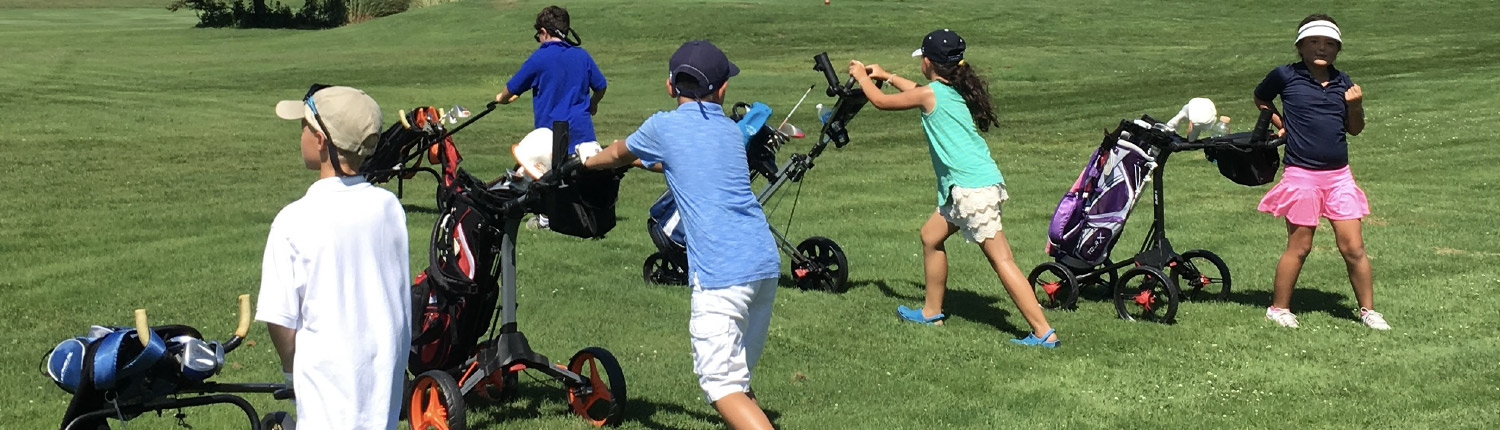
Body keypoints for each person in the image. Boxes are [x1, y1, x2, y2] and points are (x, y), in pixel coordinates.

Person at [581, 40, 779, 430]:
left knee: (721, 384)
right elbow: (685, 162)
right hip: (763, 262)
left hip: (722, 273)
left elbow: (617, 152)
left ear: (670, 86)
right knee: (736, 375)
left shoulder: (663, 125)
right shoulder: (728, 130)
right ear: (722, 90)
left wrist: (589, 161)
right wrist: (644, 161)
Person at [848, 29, 1058, 347]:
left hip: (972, 190)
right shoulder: (947, 90)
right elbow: (919, 91)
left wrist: (861, 76)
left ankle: (1044, 331)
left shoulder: (933, 93)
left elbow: (879, 102)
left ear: (928, 62)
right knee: (931, 237)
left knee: (1002, 260)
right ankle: (932, 311)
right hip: (964, 187)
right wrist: (887, 75)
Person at [260, 85, 412, 429]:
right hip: (381, 392)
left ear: (321, 140)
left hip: (326, 398)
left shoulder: (294, 220)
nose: (299, 135)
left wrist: (291, 369)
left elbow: (280, 318)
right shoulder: (389, 208)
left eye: (304, 126)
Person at [1253, 14, 1387, 330]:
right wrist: (1280, 123)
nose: (1321, 48)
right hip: (1301, 174)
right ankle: (1279, 308)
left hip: (1339, 176)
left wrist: (1355, 106)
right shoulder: (1285, 76)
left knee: (1353, 247)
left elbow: (1354, 129)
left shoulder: (1344, 83)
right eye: (1314, 42)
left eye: (1329, 44)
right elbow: (1261, 97)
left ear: (1337, 50)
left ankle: (1368, 311)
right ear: (1300, 46)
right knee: (1300, 246)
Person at [495, 5, 608, 230]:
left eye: (538, 34)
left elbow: (511, 88)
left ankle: (546, 218)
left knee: (546, 177)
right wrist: (593, 103)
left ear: (545, 32)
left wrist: (501, 98)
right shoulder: (581, 55)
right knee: (579, 178)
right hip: (582, 131)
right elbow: (601, 85)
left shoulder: (539, 59)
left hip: (551, 133)